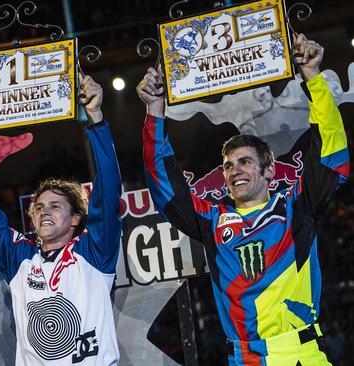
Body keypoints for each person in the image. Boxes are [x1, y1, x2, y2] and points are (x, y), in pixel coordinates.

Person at [138, 33, 349, 365]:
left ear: (268, 172)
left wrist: (312, 77)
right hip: (243, 358)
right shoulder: (212, 218)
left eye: (245, 162)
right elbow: (166, 186)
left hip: (301, 354)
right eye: (227, 166)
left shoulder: (296, 207)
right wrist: (154, 111)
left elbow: (331, 155)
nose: (234, 170)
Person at [0, 75, 122, 365]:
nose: (44, 211)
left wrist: (95, 117)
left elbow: (108, 191)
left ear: (75, 219)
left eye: (56, 206)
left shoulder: (93, 253)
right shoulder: (20, 255)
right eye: (39, 207)